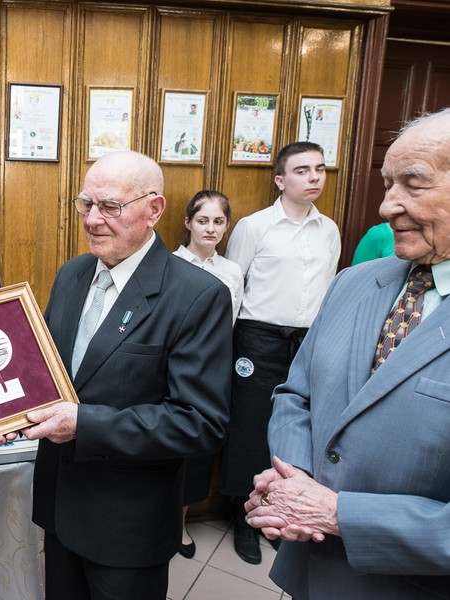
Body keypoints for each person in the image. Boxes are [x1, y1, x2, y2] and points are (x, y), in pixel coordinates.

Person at [244, 108, 450, 599]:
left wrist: (339, 514)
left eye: (413, 185)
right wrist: (294, 483)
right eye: (387, 184)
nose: (386, 206)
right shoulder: (355, 283)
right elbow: (296, 394)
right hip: (312, 574)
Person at [25, 150, 232, 600]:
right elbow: (46, 371)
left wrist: (84, 423)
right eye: (86, 204)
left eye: (110, 206)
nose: (93, 219)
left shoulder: (197, 295)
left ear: (154, 209)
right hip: (60, 507)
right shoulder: (72, 274)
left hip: (127, 524)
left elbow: (200, 422)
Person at [218, 141, 340, 565]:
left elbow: (328, 290)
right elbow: (234, 285)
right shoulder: (255, 227)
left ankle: (281, 507)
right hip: (257, 336)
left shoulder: (329, 229)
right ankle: (241, 512)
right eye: (303, 170)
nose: (314, 178)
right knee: (251, 423)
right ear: (280, 179)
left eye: (320, 170)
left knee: (295, 423)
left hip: (306, 339)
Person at [172, 190, 243, 558]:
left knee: (197, 452)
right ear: (188, 223)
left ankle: (181, 524)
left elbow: (230, 325)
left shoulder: (231, 272)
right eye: (203, 220)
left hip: (211, 370)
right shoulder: (169, 265)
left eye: (218, 221)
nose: (211, 228)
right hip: (173, 369)